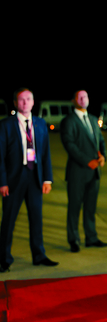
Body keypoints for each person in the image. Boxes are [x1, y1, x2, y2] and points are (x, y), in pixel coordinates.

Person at [0, 88, 58, 272]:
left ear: (33, 102)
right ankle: (4, 259)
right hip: (13, 179)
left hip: (35, 178)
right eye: (21, 100)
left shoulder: (40, 124)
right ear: (16, 103)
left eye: (29, 99)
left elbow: (46, 153)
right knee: (8, 220)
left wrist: (47, 179)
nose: (25, 103)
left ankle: (39, 255)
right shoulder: (5, 125)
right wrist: (2, 182)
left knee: (36, 218)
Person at [60, 90, 107, 253]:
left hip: (95, 172)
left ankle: (91, 237)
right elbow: (69, 145)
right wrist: (87, 161)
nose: (83, 99)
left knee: (90, 207)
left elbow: (100, 141)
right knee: (74, 207)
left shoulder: (94, 119)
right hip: (78, 172)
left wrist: (103, 157)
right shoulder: (69, 121)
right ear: (74, 100)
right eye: (79, 97)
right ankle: (73, 239)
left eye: (86, 96)